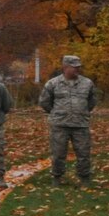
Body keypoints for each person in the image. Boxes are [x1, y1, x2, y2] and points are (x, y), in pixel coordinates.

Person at [41, 55, 98, 185]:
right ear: (65, 67)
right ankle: (57, 177)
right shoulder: (53, 83)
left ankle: (84, 178)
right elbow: (44, 102)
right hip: (60, 125)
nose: (77, 69)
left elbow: (92, 101)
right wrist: (57, 113)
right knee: (58, 153)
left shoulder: (87, 83)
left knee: (84, 153)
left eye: (78, 67)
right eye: (74, 67)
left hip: (81, 124)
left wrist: (81, 112)